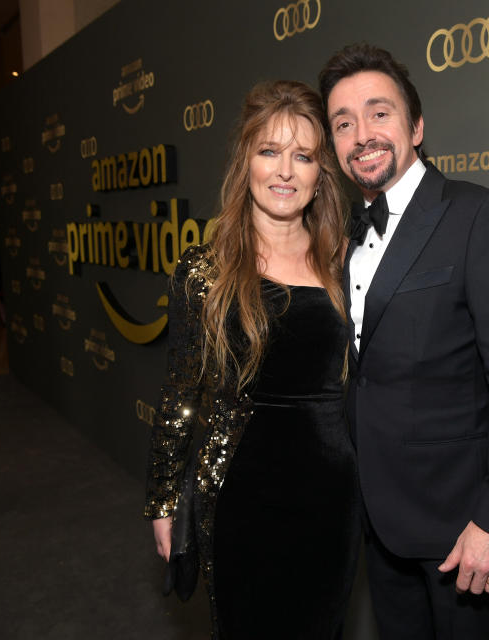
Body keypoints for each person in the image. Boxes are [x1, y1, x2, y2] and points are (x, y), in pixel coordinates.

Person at [319, 44, 489, 639]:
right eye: (343, 123)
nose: (362, 134)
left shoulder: (481, 218)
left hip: (462, 535)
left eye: (379, 113)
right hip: (379, 524)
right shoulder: (340, 236)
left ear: (416, 126)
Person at [143, 80, 359, 639]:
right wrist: (164, 499)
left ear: (321, 173)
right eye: (269, 151)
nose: (285, 171)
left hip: (330, 496)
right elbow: (179, 396)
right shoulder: (205, 269)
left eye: (303, 156)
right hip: (240, 491)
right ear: (246, 161)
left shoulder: (345, 260)